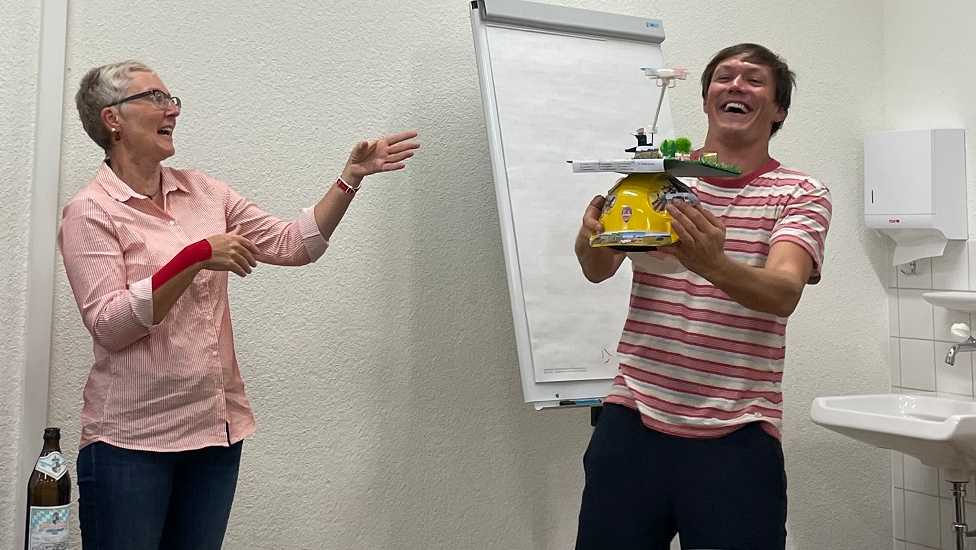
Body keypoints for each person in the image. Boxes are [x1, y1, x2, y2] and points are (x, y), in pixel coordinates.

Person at [60, 60, 419, 549]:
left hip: (214, 434)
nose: (172, 110)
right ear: (113, 119)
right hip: (131, 444)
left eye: (173, 99)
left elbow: (296, 245)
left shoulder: (204, 191)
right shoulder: (90, 211)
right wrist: (196, 255)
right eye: (156, 98)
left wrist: (350, 177)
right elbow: (110, 326)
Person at [573, 44, 831, 550]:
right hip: (632, 420)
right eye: (724, 78)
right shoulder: (654, 176)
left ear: (778, 110)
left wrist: (712, 263)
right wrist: (590, 238)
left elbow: (783, 293)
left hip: (736, 436)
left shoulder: (799, 192)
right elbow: (597, 270)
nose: (736, 86)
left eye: (754, 80)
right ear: (707, 98)